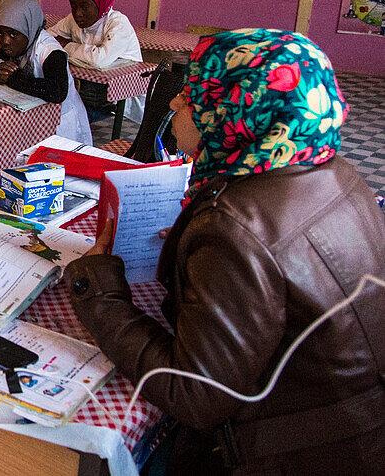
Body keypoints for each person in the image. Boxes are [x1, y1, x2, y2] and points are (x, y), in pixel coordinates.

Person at [64, 29, 385, 475]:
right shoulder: (337, 172)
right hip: (354, 427)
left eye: (194, 95)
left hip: (283, 451)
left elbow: (192, 395)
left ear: (234, 113)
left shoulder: (235, 227)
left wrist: (97, 287)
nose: (175, 104)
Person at [0, 0, 92, 144]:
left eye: (13, 35)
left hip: (59, 125)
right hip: (24, 121)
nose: (5, 41)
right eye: (1, 33)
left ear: (30, 30)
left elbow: (57, 91)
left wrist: (12, 78)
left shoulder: (49, 50)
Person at [48, 0, 142, 70]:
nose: (77, 13)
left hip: (125, 81)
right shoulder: (72, 20)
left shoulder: (118, 23)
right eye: (73, 6)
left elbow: (100, 60)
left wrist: (66, 45)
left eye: (85, 7)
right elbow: (46, 37)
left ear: (101, 3)